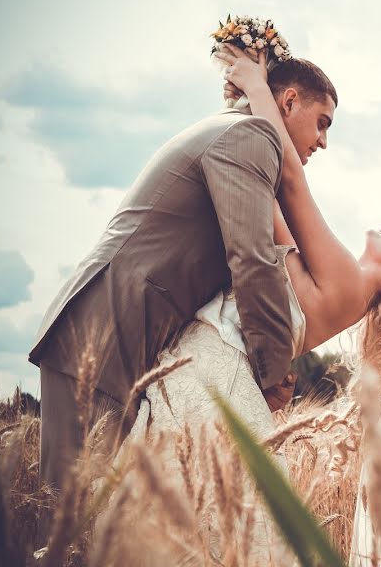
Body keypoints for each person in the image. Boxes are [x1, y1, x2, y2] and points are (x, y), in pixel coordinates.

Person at [121, 44, 381, 565]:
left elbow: (290, 185)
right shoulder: (343, 284)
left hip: (211, 371)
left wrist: (258, 87)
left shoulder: (350, 283)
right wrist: (256, 105)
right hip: (210, 369)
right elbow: (269, 202)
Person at [27, 50, 338, 494]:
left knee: (94, 528)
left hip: (123, 341)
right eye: (322, 122)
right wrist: (270, 374)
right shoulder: (249, 136)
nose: (323, 141)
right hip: (103, 338)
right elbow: (251, 259)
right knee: (70, 525)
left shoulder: (231, 132)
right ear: (288, 102)